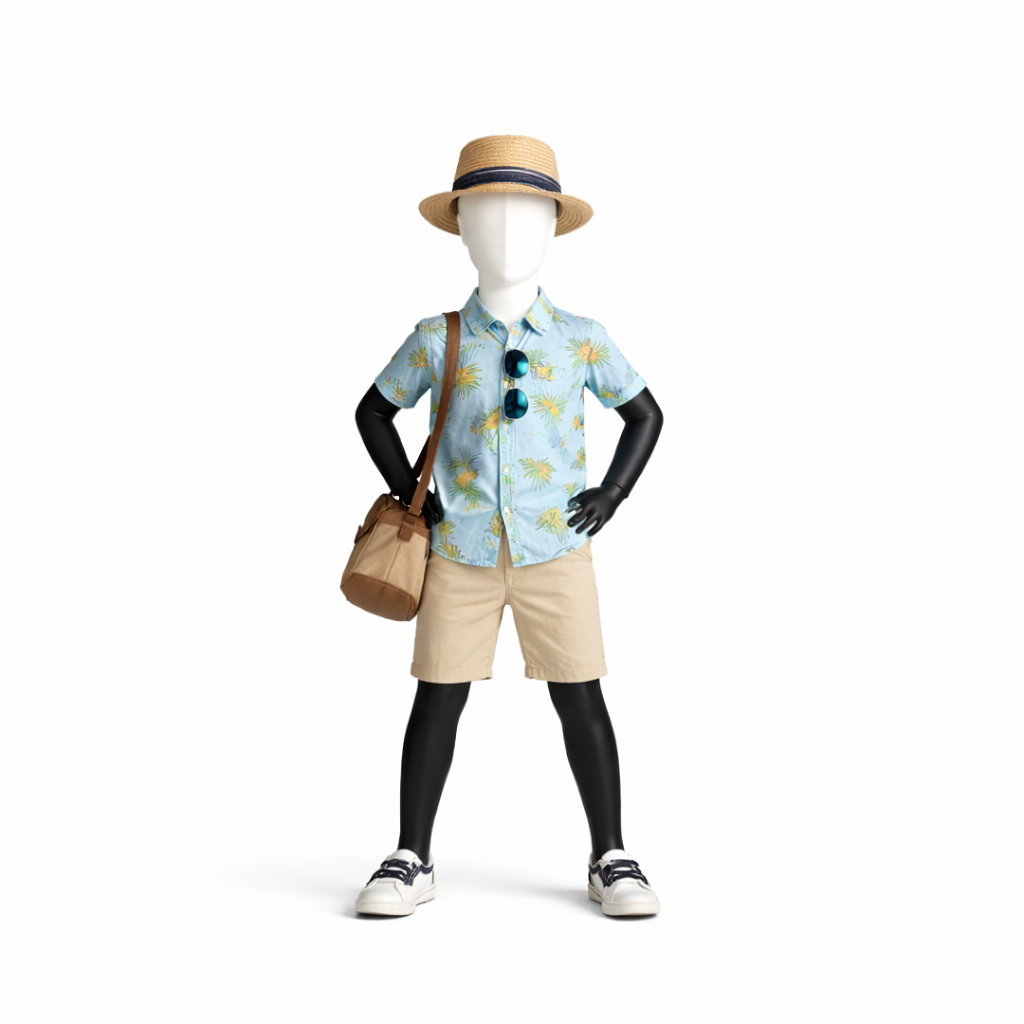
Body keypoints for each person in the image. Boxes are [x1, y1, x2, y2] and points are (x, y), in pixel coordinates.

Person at [352, 136, 664, 917]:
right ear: (460, 227)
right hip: (458, 551)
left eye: (526, 214)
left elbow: (645, 414)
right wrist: (410, 493)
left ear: (554, 227)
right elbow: (373, 411)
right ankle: (411, 854)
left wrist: (612, 495)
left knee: (580, 694)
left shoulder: (581, 336)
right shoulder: (436, 339)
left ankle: (611, 853)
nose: (506, 232)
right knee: (438, 696)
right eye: (486, 214)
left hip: (556, 549)